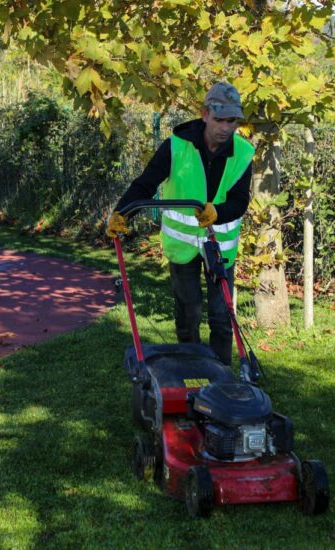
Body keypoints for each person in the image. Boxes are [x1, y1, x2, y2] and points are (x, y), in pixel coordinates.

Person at [106, 82, 255, 366]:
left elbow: (240, 201)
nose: (226, 128)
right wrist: (122, 213)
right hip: (182, 244)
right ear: (205, 114)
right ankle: (191, 370)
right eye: (220, 119)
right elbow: (146, 183)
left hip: (220, 247)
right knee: (189, 312)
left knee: (221, 317)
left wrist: (218, 212)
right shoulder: (176, 147)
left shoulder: (243, 153)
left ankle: (222, 376)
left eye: (232, 121)